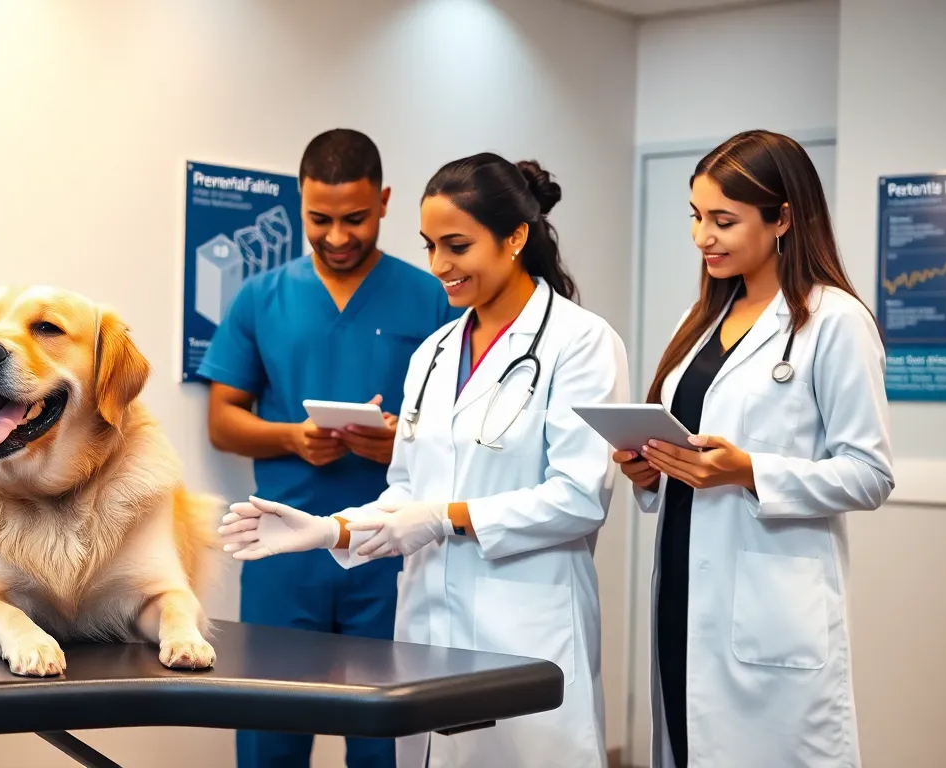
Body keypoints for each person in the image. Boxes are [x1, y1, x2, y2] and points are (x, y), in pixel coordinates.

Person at [218, 152, 630, 768]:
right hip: (428, 630)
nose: (438, 266)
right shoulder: (436, 352)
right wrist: (332, 530)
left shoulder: (581, 341)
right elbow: (406, 490)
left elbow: (577, 497)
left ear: (515, 236)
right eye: (430, 245)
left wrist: (444, 517)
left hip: (524, 626)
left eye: (456, 246)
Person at [617, 129, 894, 768]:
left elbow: (870, 474)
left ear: (783, 218)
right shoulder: (706, 322)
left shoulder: (835, 321)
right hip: (685, 588)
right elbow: (691, 453)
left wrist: (750, 471)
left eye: (723, 220)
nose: (702, 237)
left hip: (768, 607)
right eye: (696, 217)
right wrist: (650, 470)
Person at [196, 128, 457, 768]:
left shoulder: (430, 296)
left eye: (355, 219)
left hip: (386, 551)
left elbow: (457, 425)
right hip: (282, 552)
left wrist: (399, 443)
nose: (338, 237)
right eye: (320, 219)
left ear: (385, 202)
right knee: (270, 733)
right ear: (298, 203)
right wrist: (293, 438)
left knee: (385, 741)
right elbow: (223, 421)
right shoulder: (261, 297)